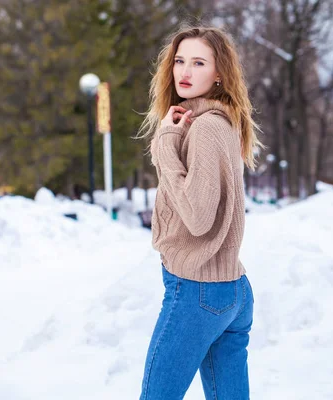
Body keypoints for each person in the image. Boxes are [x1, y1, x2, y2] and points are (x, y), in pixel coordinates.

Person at [137, 25, 263, 400]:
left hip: (197, 292)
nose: (185, 72)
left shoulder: (207, 127)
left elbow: (197, 216)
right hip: (230, 291)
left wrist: (164, 146)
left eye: (198, 62)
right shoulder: (220, 122)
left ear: (219, 72)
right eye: (179, 61)